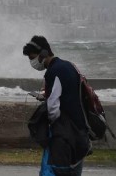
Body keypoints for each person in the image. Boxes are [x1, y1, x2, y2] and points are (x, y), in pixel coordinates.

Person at [23, 35, 91, 176]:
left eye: (32, 57)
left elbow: (53, 108)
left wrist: (50, 121)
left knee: (54, 171)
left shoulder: (54, 72)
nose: (32, 62)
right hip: (80, 135)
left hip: (64, 138)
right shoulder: (69, 66)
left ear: (44, 53)